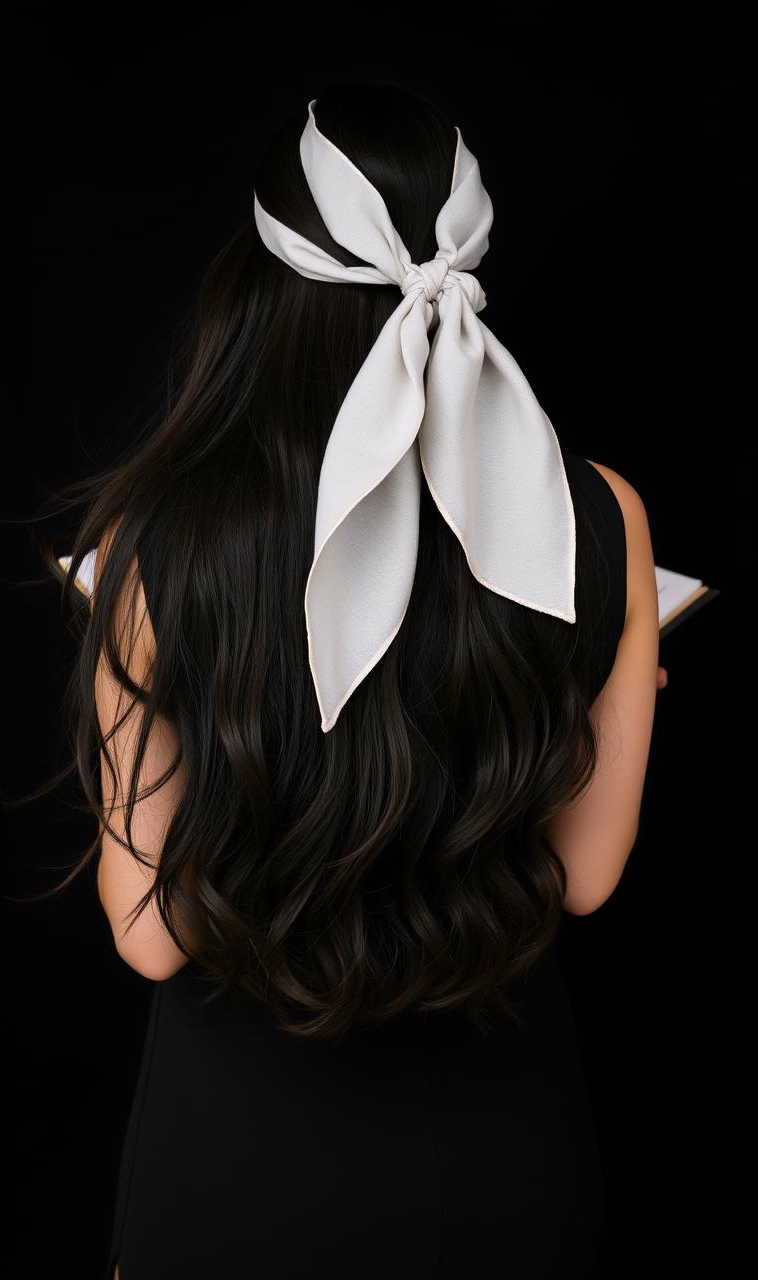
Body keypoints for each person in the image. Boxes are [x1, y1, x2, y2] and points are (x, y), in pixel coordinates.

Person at [45, 79, 661, 1280]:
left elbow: (152, 936)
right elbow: (584, 877)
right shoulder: (605, 518)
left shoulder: (151, 542)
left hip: (233, 1169)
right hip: (502, 1158)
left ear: (261, 284)